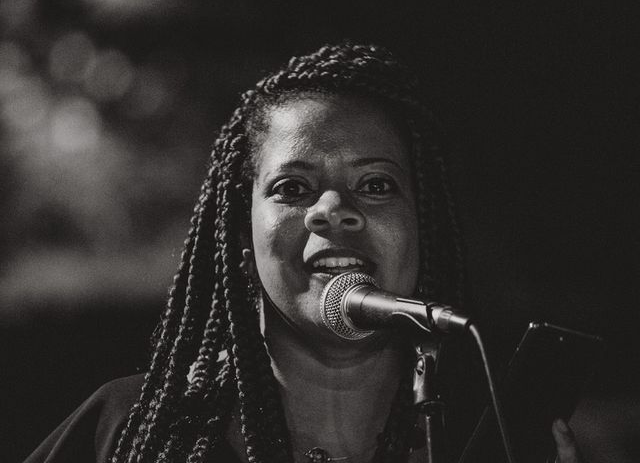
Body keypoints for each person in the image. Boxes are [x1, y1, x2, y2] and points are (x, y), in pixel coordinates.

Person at [25, 42, 582, 463]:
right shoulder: (138, 432)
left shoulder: (493, 441)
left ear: (421, 228)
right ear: (242, 239)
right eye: (292, 188)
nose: (333, 210)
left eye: (377, 184)